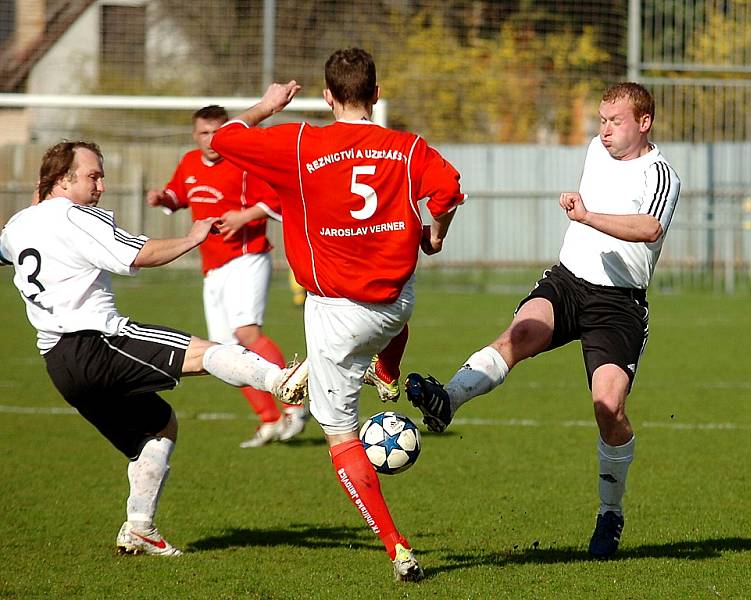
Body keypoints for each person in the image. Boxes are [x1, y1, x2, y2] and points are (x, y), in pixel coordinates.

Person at [210, 48, 464, 582]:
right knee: (389, 325)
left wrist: (267, 106)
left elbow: (223, 138)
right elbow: (448, 191)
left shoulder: (301, 141)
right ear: (375, 94)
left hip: (334, 313)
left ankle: (397, 547)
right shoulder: (407, 146)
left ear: (327, 96)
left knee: (342, 437)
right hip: (396, 304)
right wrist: (435, 232)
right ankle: (387, 373)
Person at [405, 81, 681, 559]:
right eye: (601, 119)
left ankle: (610, 513)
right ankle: (446, 399)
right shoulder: (598, 148)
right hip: (569, 281)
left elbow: (649, 228)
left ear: (644, 122)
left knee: (608, 407)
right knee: (520, 334)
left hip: (619, 304)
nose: (605, 130)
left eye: (616, 121)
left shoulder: (662, 176)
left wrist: (588, 216)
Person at [0, 141, 308, 556]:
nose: (102, 185)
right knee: (203, 352)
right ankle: (280, 381)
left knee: (159, 425)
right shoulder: (77, 217)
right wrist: (192, 236)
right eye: (93, 175)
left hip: (59, 365)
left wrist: (34, 210)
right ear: (63, 180)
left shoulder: (19, 225)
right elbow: (139, 254)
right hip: (97, 342)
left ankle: (139, 526)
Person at [147, 105, 307, 448]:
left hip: (248, 256)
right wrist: (162, 197)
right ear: (195, 135)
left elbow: (279, 198)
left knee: (246, 333)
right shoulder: (189, 162)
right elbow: (178, 195)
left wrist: (243, 216)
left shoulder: (244, 161)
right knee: (224, 353)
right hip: (213, 266)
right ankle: (269, 420)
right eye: (204, 133)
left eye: (217, 133)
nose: (210, 140)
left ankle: (293, 404)